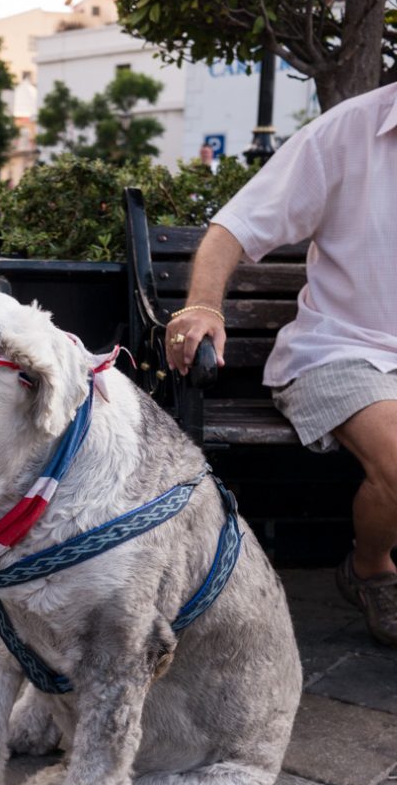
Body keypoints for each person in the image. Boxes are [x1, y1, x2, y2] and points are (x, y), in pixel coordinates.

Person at [166, 83, 397, 648]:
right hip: (345, 350)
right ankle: (372, 570)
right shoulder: (349, 132)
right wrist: (202, 305)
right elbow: (234, 227)